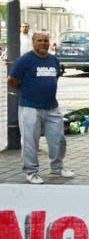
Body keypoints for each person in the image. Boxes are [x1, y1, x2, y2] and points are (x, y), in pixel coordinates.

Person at [7, 32, 75, 184]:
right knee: (30, 141)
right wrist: (27, 92)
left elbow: (55, 77)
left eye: (46, 41)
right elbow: (12, 80)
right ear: (33, 42)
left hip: (52, 107)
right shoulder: (25, 60)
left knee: (59, 139)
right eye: (40, 41)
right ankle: (31, 172)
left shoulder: (53, 60)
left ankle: (57, 168)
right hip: (30, 107)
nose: (43, 43)